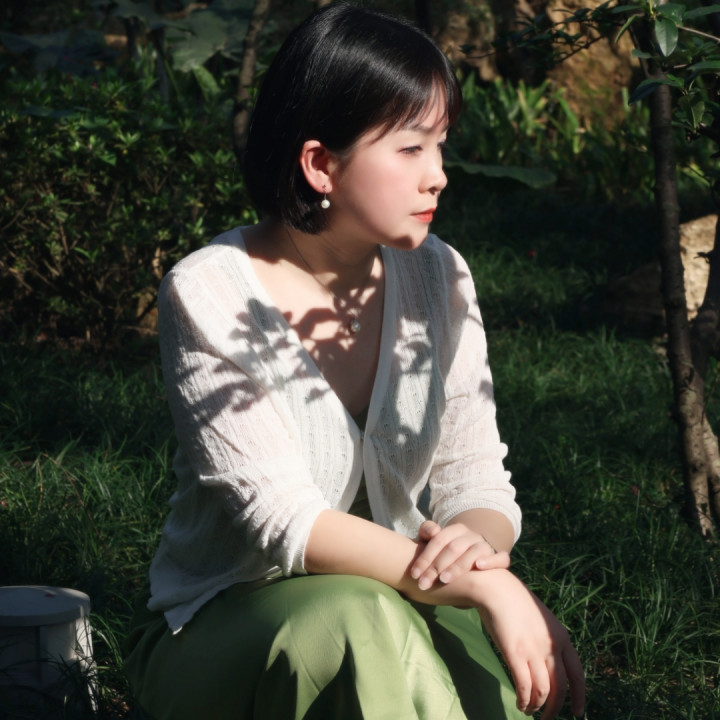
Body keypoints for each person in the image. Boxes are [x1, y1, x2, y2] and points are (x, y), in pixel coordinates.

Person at [124, 4, 586, 719]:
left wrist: (480, 557)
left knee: (498, 686)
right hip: (226, 628)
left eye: (441, 145)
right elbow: (285, 520)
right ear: (320, 165)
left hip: (404, 595)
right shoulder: (210, 291)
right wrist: (488, 586)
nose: (438, 176)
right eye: (410, 149)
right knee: (356, 624)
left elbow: (475, 478)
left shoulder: (439, 277)